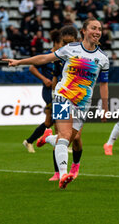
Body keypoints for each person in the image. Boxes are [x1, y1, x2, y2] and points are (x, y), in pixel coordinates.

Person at [3, 17, 109, 189]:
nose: (97, 32)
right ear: (84, 31)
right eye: (93, 28)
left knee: (70, 138)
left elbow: (104, 84)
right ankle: (63, 174)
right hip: (62, 96)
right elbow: (44, 59)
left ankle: (48, 138)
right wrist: (19, 62)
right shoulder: (71, 49)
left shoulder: (103, 58)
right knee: (66, 136)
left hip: (83, 103)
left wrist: (105, 107)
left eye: (99, 29)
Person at [36, 25, 84, 181]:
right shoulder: (59, 58)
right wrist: (54, 95)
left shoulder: (84, 55)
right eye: (64, 42)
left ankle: (74, 165)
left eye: (70, 42)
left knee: (75, 138)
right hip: (62, 98)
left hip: (79, 98)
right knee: (62, 135)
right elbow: (56, 77)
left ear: (77, 41)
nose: (66, 46)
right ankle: (58, 173)